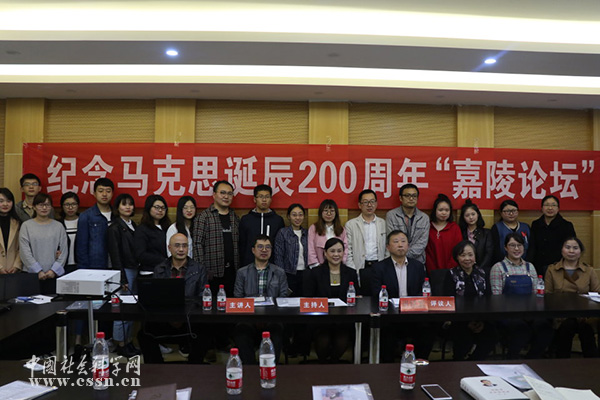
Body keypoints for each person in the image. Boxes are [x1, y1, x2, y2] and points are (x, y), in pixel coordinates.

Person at [138, 233, 209, 364]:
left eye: (184, 246)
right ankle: (156, 368)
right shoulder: (159, 269)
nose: (181, 249)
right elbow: (155, 299)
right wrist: (170, 318)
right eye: (177, 246)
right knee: (144, 334)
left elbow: (201, 298)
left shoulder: (199, 269)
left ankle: (194, 367)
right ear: (169, 248)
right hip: (165, 320)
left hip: (190, 321)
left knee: (206, 332)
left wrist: (183, 316)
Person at [371, 230, 433, 362]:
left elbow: (423, 291)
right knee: (386, 334)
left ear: (408, 246)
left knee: (428, 330)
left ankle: (419, 364)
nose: (400, 245)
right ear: (388, 247)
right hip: (390, 316)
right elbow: (376, 293)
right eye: (396, 242)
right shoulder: (379, 268)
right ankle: (387, 367)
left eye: (403, 241)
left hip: (413, 314)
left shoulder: (418, 266)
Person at [490, 233, 552, 359]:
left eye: (519, 245)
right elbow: (496, 298)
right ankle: (511, 360)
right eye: (512, 245)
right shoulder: (498, 268)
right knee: (521, 330)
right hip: (507, 314)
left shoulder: (530, 267)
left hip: (529, 312)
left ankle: (531, 359)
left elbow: (536, 294)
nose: (516, 249)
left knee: (545, 328)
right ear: (505, 247)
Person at [233, 235, 288, 364]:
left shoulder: (279, 272)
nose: (264, 250)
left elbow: (283, 298)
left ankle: (270, 368)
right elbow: (238, 298)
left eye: (268, 247)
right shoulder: (242, 272)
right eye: (260, 247)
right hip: (248, 319)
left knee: (277, 332)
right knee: (241, 332)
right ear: (253, 250)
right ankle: (250, 369)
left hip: (272, 319)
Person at [305, 237, 358, 363]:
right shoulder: (315, 273)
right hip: (321, 319)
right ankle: (323, 366)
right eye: (332, 251)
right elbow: (308, 297)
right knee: (323, 340)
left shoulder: (351, 273)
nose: (336, 254)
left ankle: (333, 365)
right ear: (325, 253)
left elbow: (357, 296)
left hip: (343, 320)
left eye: (339, 251)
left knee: (342, 340)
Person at [545, 237, 599, 358]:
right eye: (567, 247)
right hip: (561, 315)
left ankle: (593, 364)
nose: (571, 251)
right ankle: (562, 363)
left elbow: (597, 294)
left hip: (585, 315)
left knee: (586, 329)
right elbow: (548, 295)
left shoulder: (588, 270)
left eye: (575, 248)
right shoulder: (552, 270)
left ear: (580, 251)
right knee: (567, 326)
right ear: (562, 250)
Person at [443, 241, 497, 360]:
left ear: (475, 256)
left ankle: (473, 362)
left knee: (491, 336)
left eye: (470, 255)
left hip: (481, 318)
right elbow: (449, 301)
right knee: (463, 339)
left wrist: (481, 321)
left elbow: (488, 299)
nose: (467, 258)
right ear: (457, 257)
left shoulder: (482, 273)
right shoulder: (451, 274)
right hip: (458, 320)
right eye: (462, 255)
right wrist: (468, 322)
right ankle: (459, 364)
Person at [107, 193, 140, 358]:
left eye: (130, 204)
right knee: (121, 309)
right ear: (117, 207)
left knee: (131, 309)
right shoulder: (114, 227)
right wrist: (122, 278)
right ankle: (120, 343)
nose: (128, 207)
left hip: (134, 269)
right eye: (124, 204)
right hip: (123, 271)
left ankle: (128, 341)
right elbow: (115, 255)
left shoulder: (133, 224)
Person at [193, 180, 239, 295]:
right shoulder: (204, 217)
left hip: (233, 272)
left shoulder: (234, 217)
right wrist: (202, 270)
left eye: (229, 193)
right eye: (222, 193)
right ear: (214, 195)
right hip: (212, 274)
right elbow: (197, 244)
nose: (226, 196)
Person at [19, 193, 67, 294]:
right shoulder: (26, 226)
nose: (44, 208)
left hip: (52, 275)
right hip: (31, 276)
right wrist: (37, 271)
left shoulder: (58, 226)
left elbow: (64, 251)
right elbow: (24, 251)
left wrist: (53, 271)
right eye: (41, 205)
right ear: (34, 207)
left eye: (47, 205)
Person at [345, 189, 387, 295]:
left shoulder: (383, 223)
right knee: (361, 297)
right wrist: (353, 270)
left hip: (379, 264)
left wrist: (385, 266)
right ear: (359, 205)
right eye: (365, 202)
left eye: (372, 201)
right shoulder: (351, 224)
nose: (369, 205)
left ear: (376, 204)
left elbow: (388, 247)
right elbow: (348, 250)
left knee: (379, 295)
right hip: (360, 266)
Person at [239, 184, 284, 266]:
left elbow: (280, 245)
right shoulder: (246, 219)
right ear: (254, 199)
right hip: (249, 264)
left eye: (267, 197)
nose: (264, 200)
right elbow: (242, 244)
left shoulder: (278, 220)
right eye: (260, 196)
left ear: (271, 199)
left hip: (272, 265)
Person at [531, 195, 576, 276]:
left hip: (559, 267)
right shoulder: (536, 224)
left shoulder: (566, 225)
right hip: (538, 266)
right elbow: (532, 246)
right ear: (542, 208)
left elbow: (571, 248)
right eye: (547, 205)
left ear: (558, 208)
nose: (550, 208)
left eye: (553, 205)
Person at [385, 183, 429, 264]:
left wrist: (405, 255)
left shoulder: (424, 218)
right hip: (396, 261)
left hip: (418, 261)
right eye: (407, 195)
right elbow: (392, 239)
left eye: (414, 196)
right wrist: (401, 255)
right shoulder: (391, 215)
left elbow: (422, 243)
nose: (411, 198)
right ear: (400, 198)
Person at [76, 177, 114, 269]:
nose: (104, 194)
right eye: (100, 191)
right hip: (95, 265)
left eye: (108, 191)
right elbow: (81, 246)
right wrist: (83, 269)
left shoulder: (117, 215)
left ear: (112, 193)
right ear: (94, 194)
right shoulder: (86, 216)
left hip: (115, 265)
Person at [274, 203, 308, 296]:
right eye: (294, 215)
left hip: (305, 274)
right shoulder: (283, 233)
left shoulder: (307, 233)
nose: (297, 218)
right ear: (289, 217)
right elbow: (278, 257)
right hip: (289, 274)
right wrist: (282, 277)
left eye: (300, 215)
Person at [134, 194, 171, 277]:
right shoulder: (142, 229)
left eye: (163, 207)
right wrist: (165, 260)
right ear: (148, 208)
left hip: (165, 272)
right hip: (149, 273)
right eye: (157, 207)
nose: (160, 210)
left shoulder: (168, 228)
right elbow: (141, 254)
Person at [425, 194, 462, 272]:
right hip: (431, 271)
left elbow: (458, 249)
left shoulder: (454, 228)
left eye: (447, 210)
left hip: (451, 271)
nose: (444, 213)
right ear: (435, 210)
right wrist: (432, 270)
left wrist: (450, 269)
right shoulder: (428, 227)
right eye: (440, 210)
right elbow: (427, 252)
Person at [307, 199, 348, 267]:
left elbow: (345, 249)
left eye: (332, 211)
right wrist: (316, 266)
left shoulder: (341, 230)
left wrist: (341, 264)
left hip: (338, 267)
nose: (329, 214)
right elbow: (311, 249)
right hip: (318, 267)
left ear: (336, 213)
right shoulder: (314, 228)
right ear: (321, 212)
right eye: (326, 211)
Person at [491, 200, 532, 265]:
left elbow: (531, 248)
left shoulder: (525, 227)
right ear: (501, 213)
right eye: (507, 211)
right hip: (503, 264)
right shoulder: (497, 227)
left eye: (514, 210)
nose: (511, 214)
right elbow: (495, 250)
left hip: (524, 264)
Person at [458, 199, 493, 273]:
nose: (471, 217)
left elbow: (489, 254)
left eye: (473, 214)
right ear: (463, 217)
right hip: (464, 270)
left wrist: (479, 269)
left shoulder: (487, 233)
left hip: (483, 271)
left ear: (478, 214)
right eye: (467, 215)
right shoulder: (460, 233)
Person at [0, 188, 22, 273]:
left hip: (13, 270)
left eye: (8, 201)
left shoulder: (18, 222)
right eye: (1, 201)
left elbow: (22, 247)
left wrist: (16, 265)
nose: (5, 204)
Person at [58, 191, 79, 274]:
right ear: (62, 206)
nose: (70, 207)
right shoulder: (58, 224)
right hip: (62, 265)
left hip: (81, 264)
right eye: (67, 204)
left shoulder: (84, 221)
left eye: (73, 204)